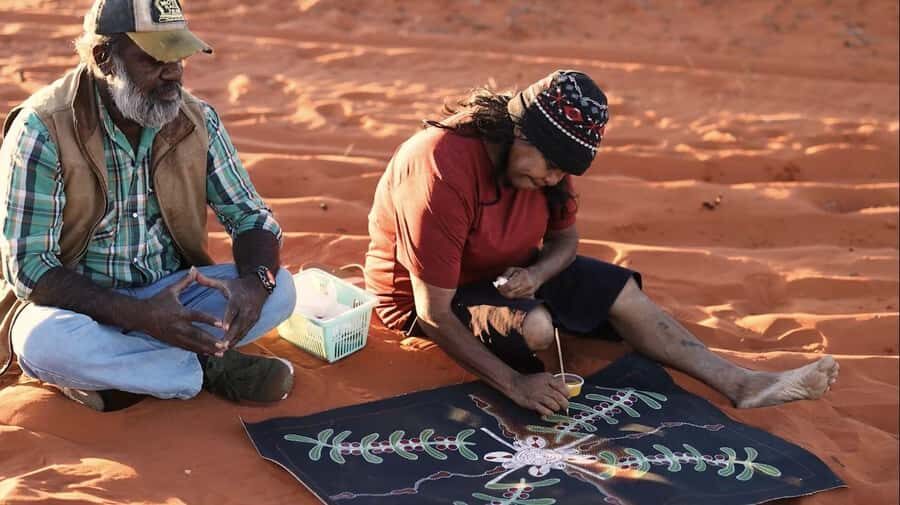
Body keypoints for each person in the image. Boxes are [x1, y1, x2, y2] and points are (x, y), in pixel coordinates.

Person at [364, 70, 839, 416]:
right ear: (519, 131)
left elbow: (565, 239)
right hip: (425, 300)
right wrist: (515, 385)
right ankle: (535, 367)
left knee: (622, 294)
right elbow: (433, 312)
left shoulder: (551, 159)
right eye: (547, 166)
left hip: (511, 271)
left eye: (561, 172)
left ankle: (743, 383)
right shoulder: (440, 169)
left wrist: (538, 273)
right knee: (536, 326)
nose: (551, 178)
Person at [0, 0, 297, 411]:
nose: (173, 72)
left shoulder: (195, 120)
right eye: (155, 58)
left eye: (178, 56)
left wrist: (254, 282)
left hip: (171, 294)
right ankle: (205, 367)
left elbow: (250, 216)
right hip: (79, 304)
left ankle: (124, 377)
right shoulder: (43, 128)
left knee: (280, 290)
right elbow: (29, 268)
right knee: (42, 343)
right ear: (105, 57)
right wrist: (140, 315)